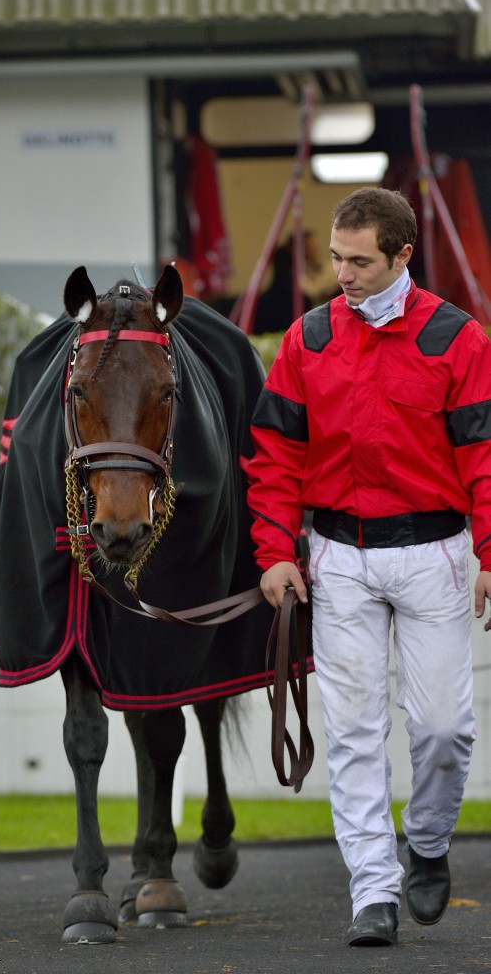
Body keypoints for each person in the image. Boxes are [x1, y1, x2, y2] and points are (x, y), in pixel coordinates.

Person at [245, 188, 491, 947]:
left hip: (435, 555)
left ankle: (425, 842)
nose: (342, 274)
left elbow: (484, 454)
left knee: (445, 731)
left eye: (359, 261)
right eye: (337, 260)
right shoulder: (306, 338)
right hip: (338, 558)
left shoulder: (459, 338)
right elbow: (275, 456)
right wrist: (276, 554)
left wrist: (489, 551)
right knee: (353, 731)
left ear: (402, 256)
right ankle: (372, 891)